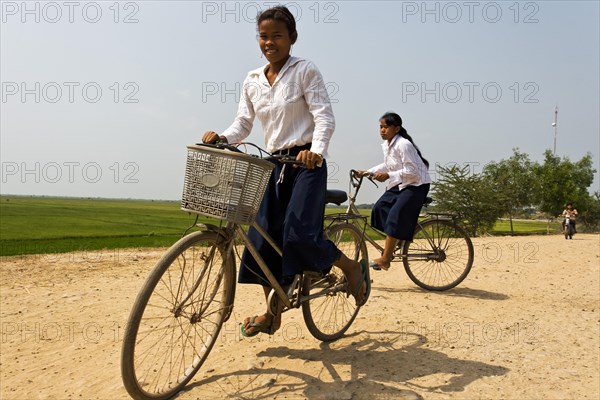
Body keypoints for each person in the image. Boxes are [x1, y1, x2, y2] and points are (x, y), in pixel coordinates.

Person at [201, 6, 369, 337]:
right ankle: (272, 313)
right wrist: (223, 137)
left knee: (298, 235)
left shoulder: (305, 70)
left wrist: (315, 152)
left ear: (292, 38)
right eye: (263, 36)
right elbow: (244, 123)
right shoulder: (252, 79)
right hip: (273, 163)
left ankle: (348, 265)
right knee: (260, 239)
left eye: (277, 35)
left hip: (306, 164)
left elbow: (324, 117)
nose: (269, 42)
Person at [356, 112, 432, 271]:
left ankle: (385, 259)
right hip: (401, 183)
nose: (382, 130)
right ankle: (397, 239)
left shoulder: (403, 144)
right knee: (378, 209)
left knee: (395, 216)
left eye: (386, 127)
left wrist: (388, 176)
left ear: (396, 128)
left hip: (417, 184)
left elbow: (412, 171)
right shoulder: (387, 145)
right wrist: (367, 172)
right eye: (380, 127)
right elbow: (388, 165)